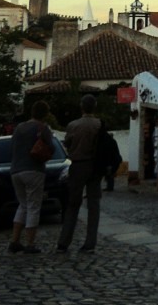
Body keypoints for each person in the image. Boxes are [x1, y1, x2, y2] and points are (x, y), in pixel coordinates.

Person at [56, 94, 103, 253]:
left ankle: (64, 241)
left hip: (77, 165)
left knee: (73, 204)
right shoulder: (99, 125)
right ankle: (90, 242)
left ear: (81, 107)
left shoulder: (73, 125)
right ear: (94, 107)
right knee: (94, 205)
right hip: (95, 166)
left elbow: (68, 144)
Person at [8, 100, 54, 254]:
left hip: (15, 170)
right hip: (33, 170)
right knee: (34, 206)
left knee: (23, 205)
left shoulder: (19, 127)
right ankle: (30, 243)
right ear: (45, 114)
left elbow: (12, 146)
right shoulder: (42, 128)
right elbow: (51, 147)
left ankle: (15, 240)